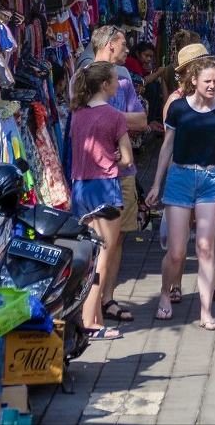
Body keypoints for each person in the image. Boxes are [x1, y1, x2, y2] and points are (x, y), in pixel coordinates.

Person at [146, 59, 215, 330]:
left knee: (206, 247)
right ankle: (165, 292)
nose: (212, 86)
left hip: (209, 180)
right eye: (207, 81)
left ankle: (206, 312)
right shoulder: (178, 109)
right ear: (194, 80)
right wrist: (155, 184)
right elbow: (167, 147)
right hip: (180, 178)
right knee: (176, 252)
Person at [81, 25, 147, 325]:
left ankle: (105, 300)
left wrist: (109, 118)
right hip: (97, 174)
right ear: (109, 45)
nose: (128, 50)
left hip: (123, 172)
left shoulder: (125, 78)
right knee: (98, 242)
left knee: (117, 239)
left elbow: (142, 120)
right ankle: (89, 307)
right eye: (123, 44)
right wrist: (114, 121)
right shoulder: (83, 77)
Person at [69, 62, 133, 340]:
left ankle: (91, 314)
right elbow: (128, 159)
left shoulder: (77, 114)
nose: (119, 84)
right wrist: (117, 157)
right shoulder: (114, 116)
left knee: (87, 255)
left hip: (80, 188)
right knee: (103, 258)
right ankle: (89, 323)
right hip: (106, 188)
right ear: (105, 85)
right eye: (116, 79)